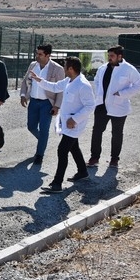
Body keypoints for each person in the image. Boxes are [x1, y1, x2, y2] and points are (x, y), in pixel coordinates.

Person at [30, 56, 95, 193]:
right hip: (67, 123)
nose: (63, 68)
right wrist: (38, 80)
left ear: (70, 69)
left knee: (62, 150)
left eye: (65, 66)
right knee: (74, 147)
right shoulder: (68, 80)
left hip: (74, 124)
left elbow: (90, 106)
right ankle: (83, 172)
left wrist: (75, 119)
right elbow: (54, 87)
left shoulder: (83, 85)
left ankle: (57, 184)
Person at [87, 45, 140, 168]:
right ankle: (94, 157)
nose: (109, 58)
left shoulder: (128, 69)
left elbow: (139, 84)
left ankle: (114, 159)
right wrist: (99, 93)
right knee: (97, 131)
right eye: (108, 56)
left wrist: (123, 94)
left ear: (120, 56)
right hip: (101, 105)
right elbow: (96, 80)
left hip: (118, 106)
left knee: (117, 133)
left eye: (112, 56)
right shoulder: (102, 68)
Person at [20, 44, 65, 165]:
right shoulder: (33, 65)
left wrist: (57, 106)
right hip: (34, 101)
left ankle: (39, 154)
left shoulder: (57, 69)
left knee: (44, 129)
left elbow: (61, 89)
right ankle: (43, 142)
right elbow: (25, 81)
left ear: (48, 55)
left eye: (40, 54)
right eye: (37, 53)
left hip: (47, 103)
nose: (37, 56)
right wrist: (23, 95)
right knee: (31, 127)